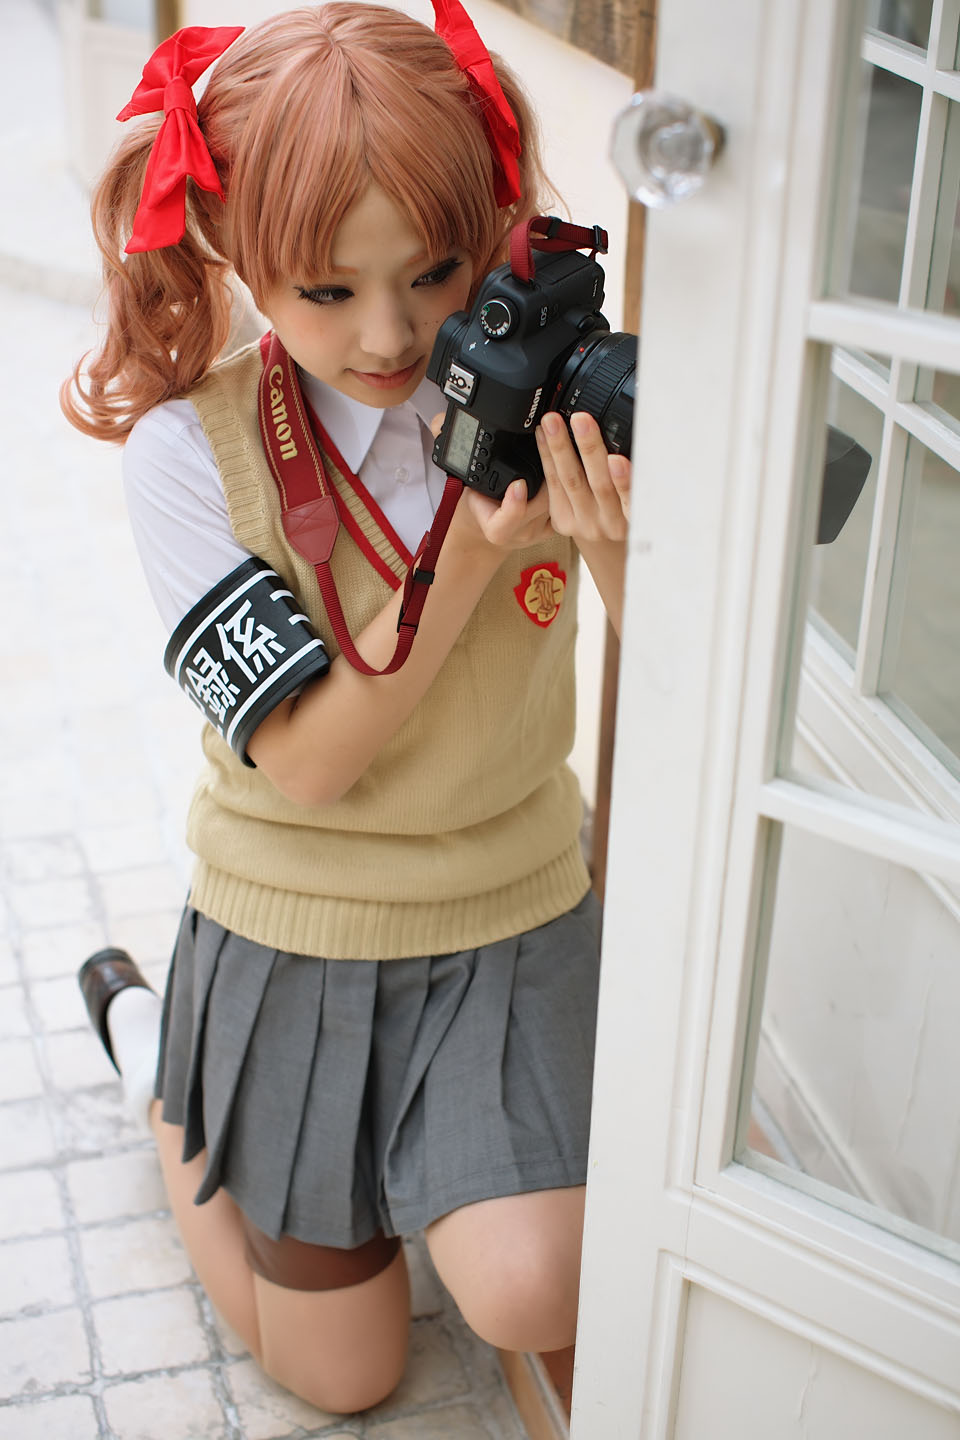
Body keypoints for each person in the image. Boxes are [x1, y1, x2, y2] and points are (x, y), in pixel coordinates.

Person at [63, 1, 630, 1415]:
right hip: (294, 925)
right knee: (345, 1376)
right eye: (325, 290)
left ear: (492, 224)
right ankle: (165, 1071)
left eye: (435, 274)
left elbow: (688, 672)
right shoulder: (187, 453)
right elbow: (309, 763)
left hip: (511, 907)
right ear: (229, 245)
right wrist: (470, 553)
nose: (389, 335)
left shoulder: (540, 389)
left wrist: (613, 528)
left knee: (533, 1288)